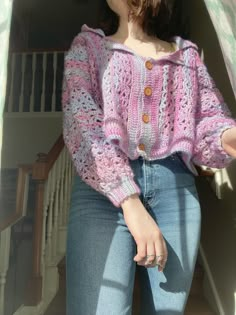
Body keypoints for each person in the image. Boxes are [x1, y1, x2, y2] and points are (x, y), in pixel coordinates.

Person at [62, 1, 236, 314]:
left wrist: (227, 137)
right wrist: (128, 199)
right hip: (103, 193)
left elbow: (208, 120)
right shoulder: (87, 48)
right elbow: (82, 124)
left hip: (176, 191)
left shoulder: (187, 57)